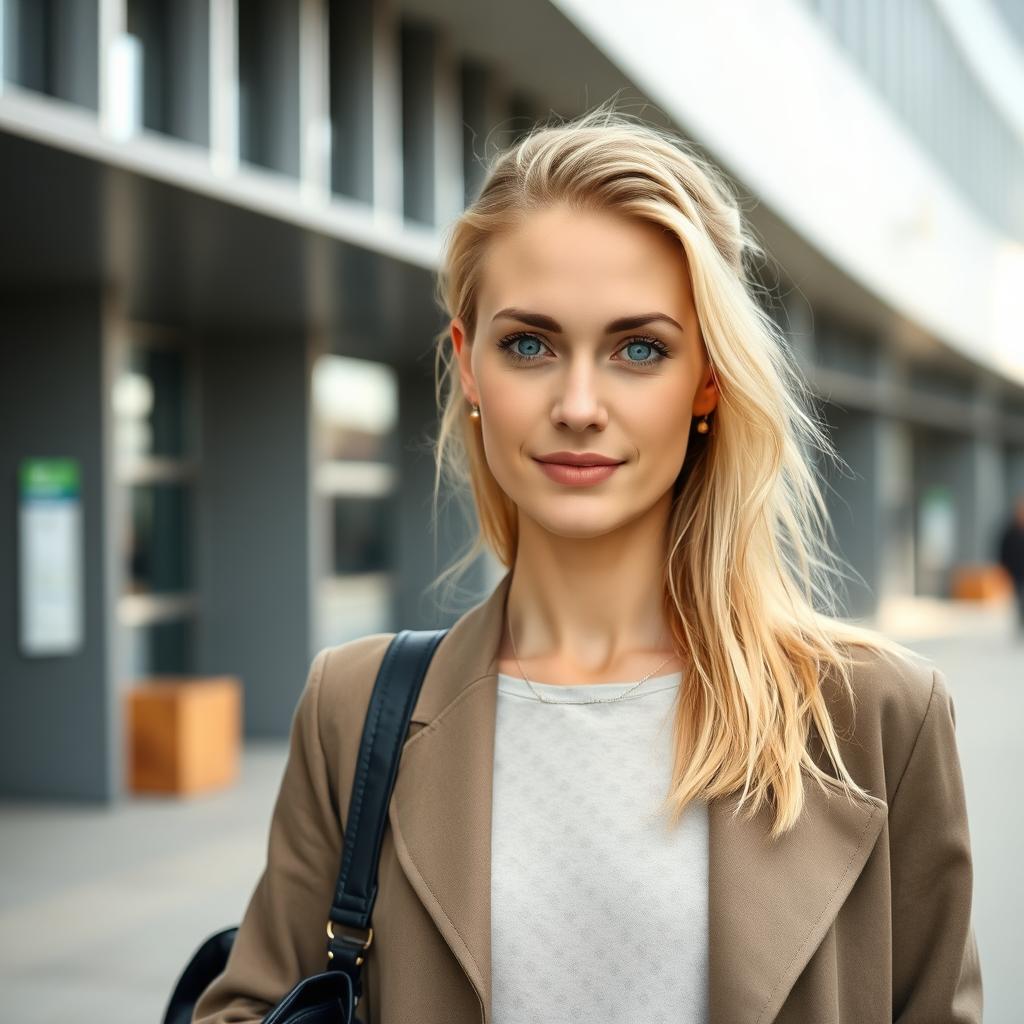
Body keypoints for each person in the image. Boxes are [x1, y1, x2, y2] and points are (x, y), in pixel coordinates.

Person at [191, 103, 982, 1023]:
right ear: (471, 366)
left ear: (708, 384)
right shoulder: (355, 706)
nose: (577, 403)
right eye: (529, 344)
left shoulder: (879, 715)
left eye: (638, 349)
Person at [998, 493, 1024, 638]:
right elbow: (1003, 551)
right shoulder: (1010, 531)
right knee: (1019, 599)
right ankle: (1020, 624)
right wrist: (1004, 568)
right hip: (1016, 573)